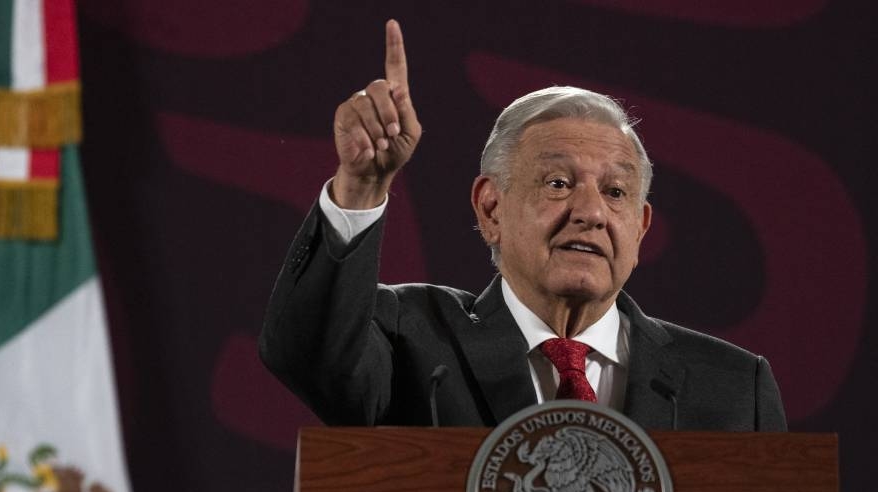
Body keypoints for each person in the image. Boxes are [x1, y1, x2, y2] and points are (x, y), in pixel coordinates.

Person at [259, 19, 786, 431]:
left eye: (616, 191)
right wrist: (362, 188)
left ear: (641, 227)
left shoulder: (736, 389)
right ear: (491, 209)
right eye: (558, 183)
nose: (591, 212)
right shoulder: (411, 338)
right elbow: (310, 355)